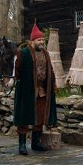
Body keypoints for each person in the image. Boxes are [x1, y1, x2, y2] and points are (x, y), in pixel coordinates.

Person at [13, 23, 57, 155]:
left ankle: (36, 143)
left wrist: (53, 83)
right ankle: (22, 145)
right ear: (32, 41)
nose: (42, 42)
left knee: (40, 117)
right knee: (24, 117)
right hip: (27, 91)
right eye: (39, 40)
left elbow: (50, 69)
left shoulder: (45, 53)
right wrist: (21, 84)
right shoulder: (24, 52)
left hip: (42, 91)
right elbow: (17, 70)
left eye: (43, 39)